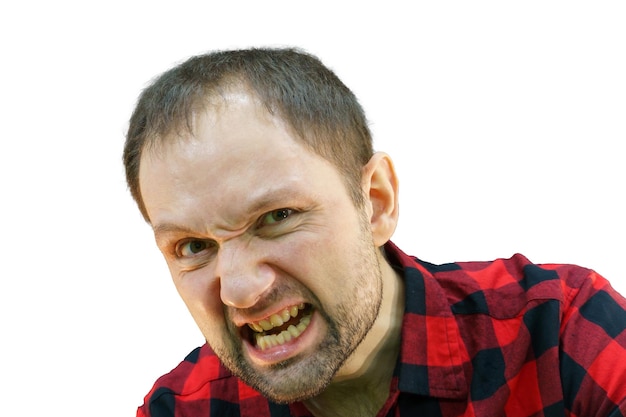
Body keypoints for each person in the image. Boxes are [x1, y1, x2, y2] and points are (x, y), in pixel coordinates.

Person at [123, 47, 626, 417]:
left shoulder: (560, 334)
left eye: (276, 217)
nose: (239, 289)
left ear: (376, 203)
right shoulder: (184, 409)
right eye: (193, 247)